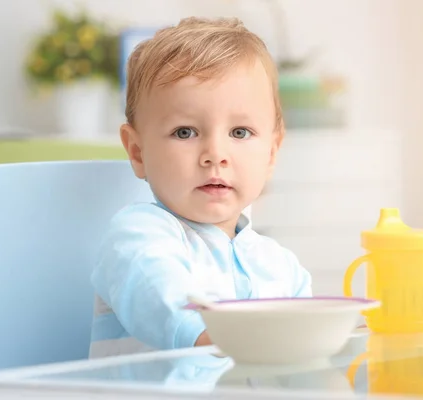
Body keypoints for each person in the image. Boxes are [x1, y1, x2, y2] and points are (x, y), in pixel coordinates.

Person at [89, 16, 312, 358]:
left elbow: (305, 353)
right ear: (138, 152)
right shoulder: (138, 238)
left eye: (239, 133)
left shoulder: (282, 268)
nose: (215, 156)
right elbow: (168, 304)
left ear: (271, 152)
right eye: (185, 132)